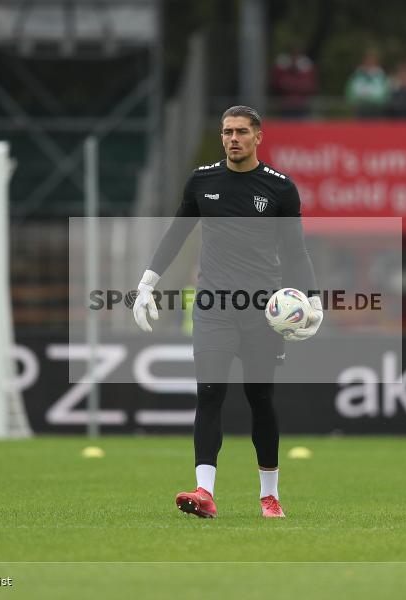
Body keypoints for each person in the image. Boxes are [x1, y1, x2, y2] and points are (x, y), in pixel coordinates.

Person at [132, 105, 322, 518]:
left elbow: (295, 251)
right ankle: (205, 492)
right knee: (209, 393)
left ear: (258, 137)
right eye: (226, 132)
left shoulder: (280, 188)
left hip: (261, 312)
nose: (232, 138)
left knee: (260, 398)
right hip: (213, 306)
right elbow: (176, 233)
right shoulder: (202, 181)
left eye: (240, 132)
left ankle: (269, 496)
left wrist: (313, 299)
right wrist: (147, 283)